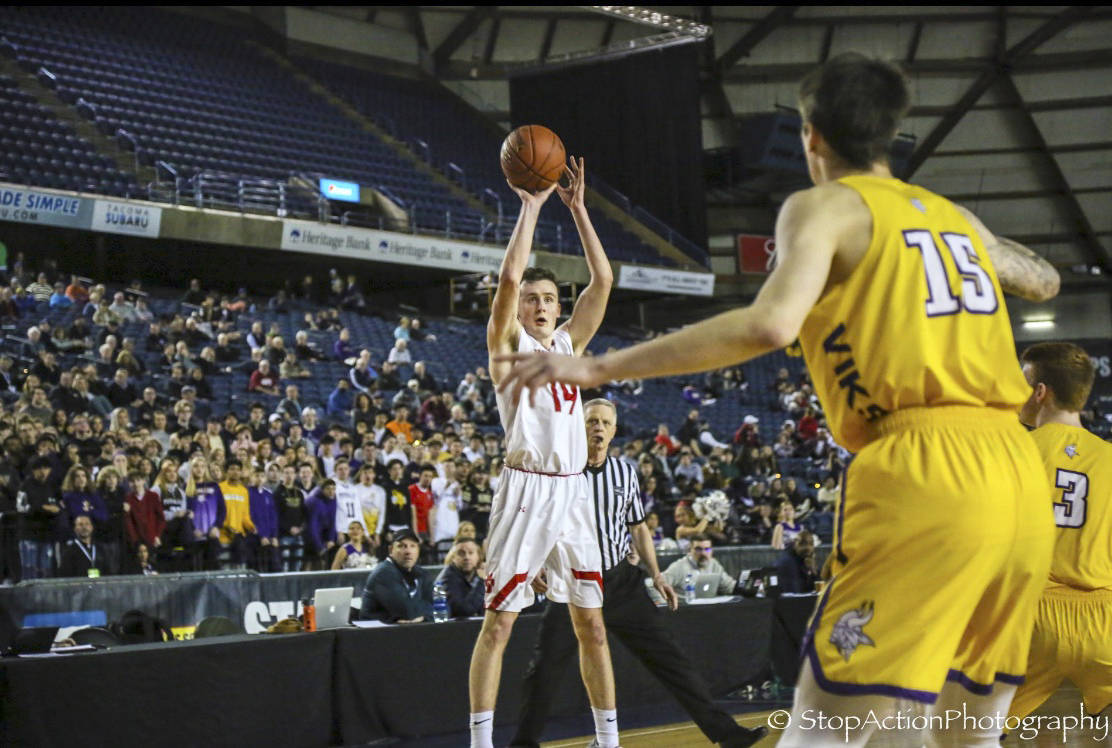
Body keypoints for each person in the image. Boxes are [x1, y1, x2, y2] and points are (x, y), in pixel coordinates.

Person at [495, 53, 1060, 745]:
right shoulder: (955, 219)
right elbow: (1045, 280)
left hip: (928, 466)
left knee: (823, 728)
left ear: (811, 136)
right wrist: (980, 249)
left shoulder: (825, 206)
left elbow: (769, 324)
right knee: (964, 730)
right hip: (1020, 477)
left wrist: (602, 366)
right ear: (892, 131)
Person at [512, 399, 765, 748]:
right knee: (544, 668)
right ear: (577, 426)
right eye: (591, 422)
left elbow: (639, 528)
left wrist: (658, 575)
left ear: (614, 431)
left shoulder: (624, 472)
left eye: (605, 423)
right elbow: (537, 522)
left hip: (621, 581)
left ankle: (727, 735)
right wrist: (535, 563)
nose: (598, 428)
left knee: (672, 660)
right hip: (571, 584)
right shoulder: (558, 471)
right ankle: (522, 743)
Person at [470, 155, 618, 748]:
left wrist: (579, 210)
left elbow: (603, 282)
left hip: (574, 492)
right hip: (527, 489)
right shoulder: (506, 346)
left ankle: (608, 741)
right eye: (531, 297)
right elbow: (505, 283)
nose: (537, 304)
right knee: (500, 624)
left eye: (548, 298)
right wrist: (531, 207)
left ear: (559, 307)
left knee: (593, 626)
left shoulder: (569, 342)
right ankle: (480, 743)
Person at [1008, 343, 1112, 722]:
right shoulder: (1109, 459)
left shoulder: (1013, 452)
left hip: (1029, 619)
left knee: (966, 734)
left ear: (1040, 392)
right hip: (1104, 620)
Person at [359, 529, 433, 623]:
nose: (408, 551)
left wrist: (425, 616)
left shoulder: (422, 573)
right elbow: (408, 613)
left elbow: (443, 607)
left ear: (418, 550)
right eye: (401, 546)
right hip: (374, 634)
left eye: (413, 546)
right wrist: (427, 610)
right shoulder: (383, 573)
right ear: (391, 550)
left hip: (401, 632)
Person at [663, 536, 735, 596]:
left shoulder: (714, 564)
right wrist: (662, 606)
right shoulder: (679, 566)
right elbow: (655, 585)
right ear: (690, 550)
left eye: (707, 549)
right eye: (698, 549)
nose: (703, 553)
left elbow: (728, 586)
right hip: (686, 610)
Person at [435, 537, 486, 618]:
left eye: (471, 552)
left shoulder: (477, 573)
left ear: (479, 557)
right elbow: (464, 611)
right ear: (453, 558)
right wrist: (482, 582)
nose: (467, 557)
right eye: (461, 553)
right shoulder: (447, 578)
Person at [774, 530, 818, 594]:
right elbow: (796, 593)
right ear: (795, 545)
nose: (808, 548)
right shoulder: (788, 563)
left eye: (811, 544)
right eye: (803, 544)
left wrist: (812, 571)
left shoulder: (806, 560)